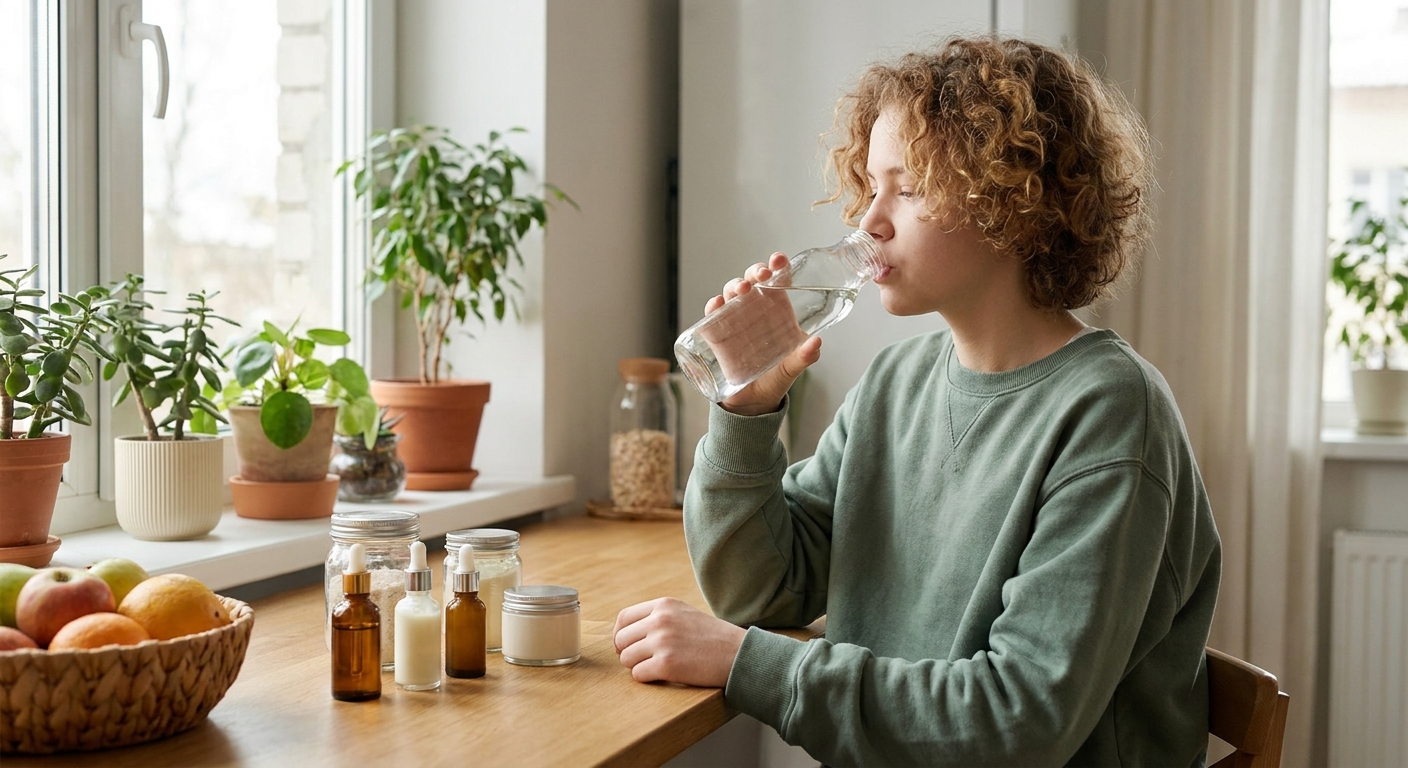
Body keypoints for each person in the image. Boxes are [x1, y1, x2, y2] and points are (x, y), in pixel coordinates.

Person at [612, 35, 1221, 767]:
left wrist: (748, 664)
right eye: (871, 185)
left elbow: (1018, 723)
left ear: (1013, 198)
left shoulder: (1110, 413)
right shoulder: (895, 386)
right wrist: (743, 417)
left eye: (909, 186)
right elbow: (761, 592)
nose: (869, 221)